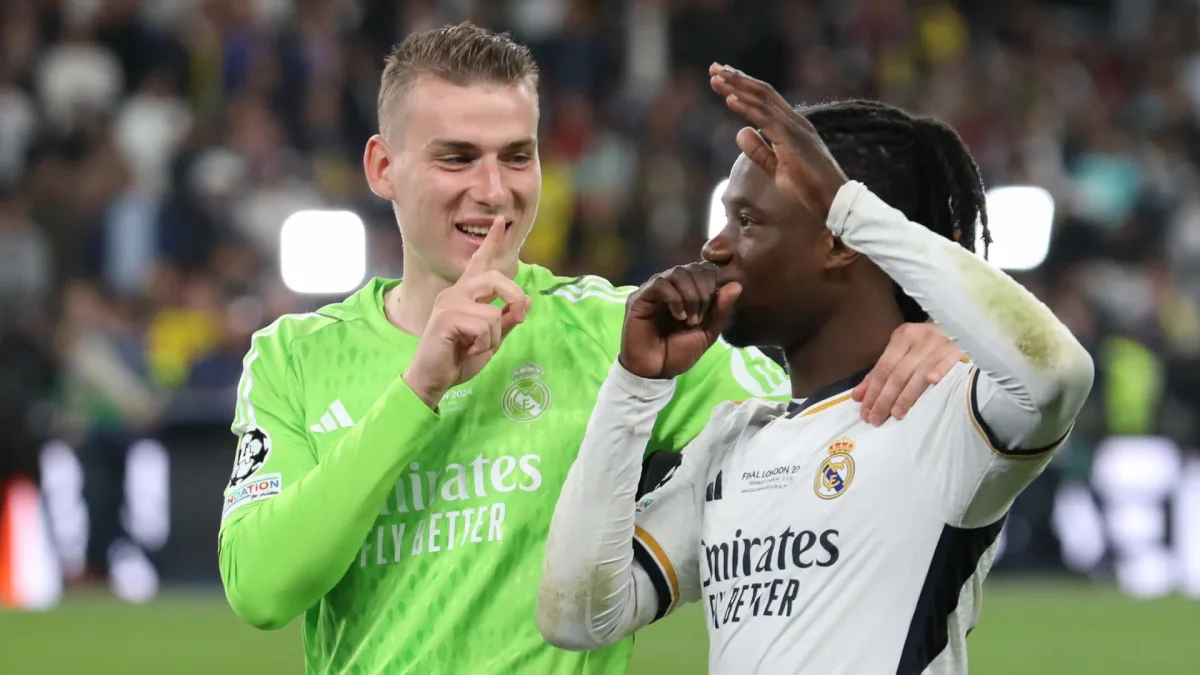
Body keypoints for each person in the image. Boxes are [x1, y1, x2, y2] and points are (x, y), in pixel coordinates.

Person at [217, 24, 966, 675]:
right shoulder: (295, 356)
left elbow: (828, 407)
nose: (494, 190)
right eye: (457, 158)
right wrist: (418, 388)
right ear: (383, 167)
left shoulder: (619, 333)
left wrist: (934, 340)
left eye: (517, 156)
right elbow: (264, 587)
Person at [536, 64, 1095, 675]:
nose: (714, 248)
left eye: (747, 222)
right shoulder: (731, 442)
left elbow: (1058, 371)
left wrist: (847, 204)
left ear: (839, 240)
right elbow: (577, 617)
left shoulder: (943, 413)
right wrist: (634, 386)